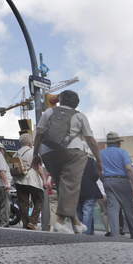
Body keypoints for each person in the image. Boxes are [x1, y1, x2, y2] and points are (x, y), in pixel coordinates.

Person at [32, 90, 102, 234]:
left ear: (61, 100)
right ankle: (59, 221)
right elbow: (90, 140)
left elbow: (39, 134)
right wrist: (99, 160)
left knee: (62, 186)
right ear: (76, 103)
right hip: (73, 152)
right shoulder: (80, 116)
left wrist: (35, 154)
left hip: (48, 152)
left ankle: (76, 223)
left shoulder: (49, 112)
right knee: (71, 186)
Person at [99, 132, 133, 239]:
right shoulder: (122, 152)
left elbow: (99, 169)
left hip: (108, 181)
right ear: (118, 143)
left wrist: (104, 180)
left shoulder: (101, 153)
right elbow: (129, 169)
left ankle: (115, 234)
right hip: (122, 181)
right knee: (128, 208)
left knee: (112, 209)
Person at [13, 131, 45, 230]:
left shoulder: (15, 154)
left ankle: (26, 223)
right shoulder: (33, 151)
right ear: (30, 142)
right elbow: (39, 167)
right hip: (32, 180)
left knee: (23, 203)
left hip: (19, 181)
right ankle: (32, 222)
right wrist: (44, 180)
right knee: (39, 199)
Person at [77, 154, 102, 235]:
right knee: (88, 211)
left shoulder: (72, 160)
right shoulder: (90, 160)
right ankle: (86, 232)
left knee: (79, 211)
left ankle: (85, 231)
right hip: (89, 188)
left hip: (76, 189)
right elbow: (96, 175)